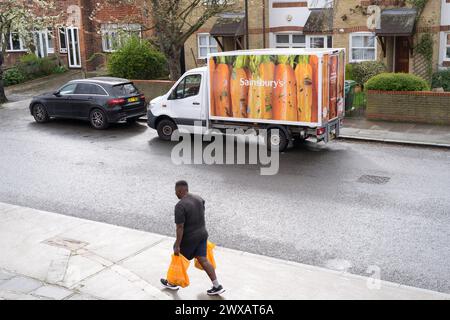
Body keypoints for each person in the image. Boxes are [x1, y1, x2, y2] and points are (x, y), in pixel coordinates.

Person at [161, 180, 225, 295]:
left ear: (180, 191)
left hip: (190, 238)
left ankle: (172, 282)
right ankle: (217, 285)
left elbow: (180, 227)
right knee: (203, 259)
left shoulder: (180, 206)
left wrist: (177, 244)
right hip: (202, 234)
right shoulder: (199, 198)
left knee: (178, 256)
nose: (175, 194)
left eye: (176, 191)